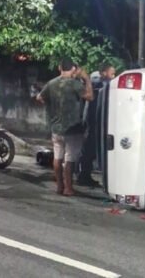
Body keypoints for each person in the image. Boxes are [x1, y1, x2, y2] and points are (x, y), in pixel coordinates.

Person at [37, 58, 93, 195]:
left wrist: (50, 106)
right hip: (72, 128)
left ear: (59, 68)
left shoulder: (51, 83)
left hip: (56, 127)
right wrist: (87, 79)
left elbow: (39, 97)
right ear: (73, 69)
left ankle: (59, 186)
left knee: (57, 157)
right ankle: (68, 188)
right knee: (69, 159)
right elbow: (90, 97)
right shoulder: (74, 84)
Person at [77, 63, 116, 186]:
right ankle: (83, 175)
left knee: (93, 149)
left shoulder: (101, 82)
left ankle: (85, 175)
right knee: (89, 149)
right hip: (92, 120)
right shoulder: (96, 81)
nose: (113, 76)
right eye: (112, 73)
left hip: (98, 120)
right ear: (104, 73)